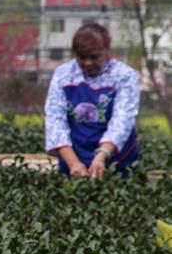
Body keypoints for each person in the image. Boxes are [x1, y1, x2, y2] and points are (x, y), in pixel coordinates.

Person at [45, 23, 139, 178]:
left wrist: (102, 155)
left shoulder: (124, 75)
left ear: (107, 51)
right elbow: (55, 121)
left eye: (94, 57)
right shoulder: (63, 75)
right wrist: (73, 163)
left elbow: (122, 120)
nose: (87, 63)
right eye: (82, 57)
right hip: (75, 155)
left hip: (116, 159)